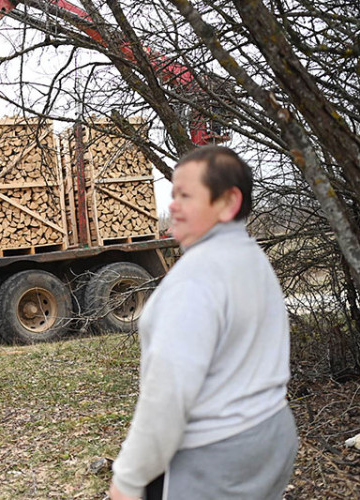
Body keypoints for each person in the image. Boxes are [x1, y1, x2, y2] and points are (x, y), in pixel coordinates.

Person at [109, 146, 298, 500]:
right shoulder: (250, 257)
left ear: (228, 202)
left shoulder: (196, 278)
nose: (173, 205)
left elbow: (167, 395)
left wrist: (128, 479)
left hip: (217, 456)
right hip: (272, 435)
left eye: (185, 195)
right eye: (173, 193)